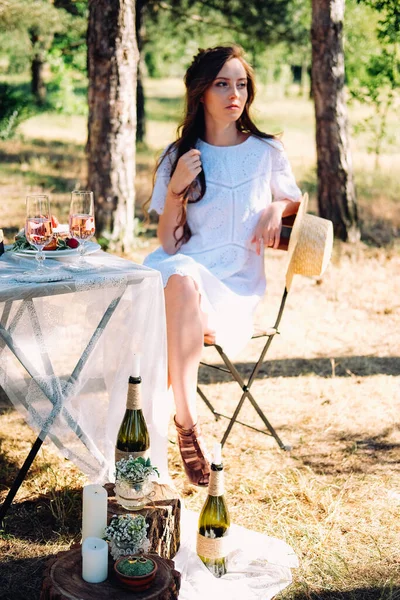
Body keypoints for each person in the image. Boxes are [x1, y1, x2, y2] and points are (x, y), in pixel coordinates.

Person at [144, 45, 302, 487]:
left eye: (242, 84)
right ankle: (187, 424)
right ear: (200, 93)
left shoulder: (267, 151)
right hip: (183, 278)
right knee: (178, 275)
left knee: (179, 285)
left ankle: (155, 426)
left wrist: (279, 206)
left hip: (235, 287)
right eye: (222, 83)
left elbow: (294, 198)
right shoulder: (179, 155)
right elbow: (169, 243)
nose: (235, 93)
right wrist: (176, 190)